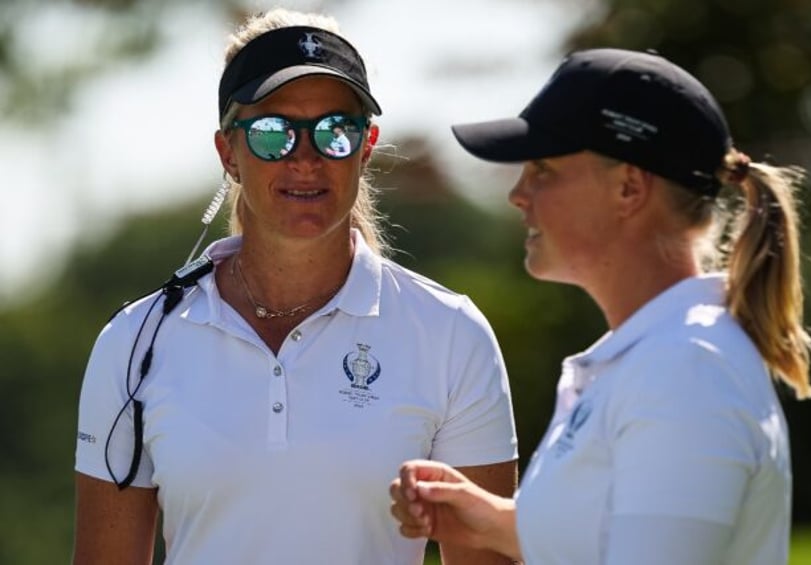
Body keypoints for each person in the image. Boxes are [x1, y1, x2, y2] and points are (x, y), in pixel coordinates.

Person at [73, 8, 518, 565]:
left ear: (366, 146)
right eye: (272, 132)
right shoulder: (136, 342)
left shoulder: (451, 334)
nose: (304, 158)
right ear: (228, 153)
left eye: (335, 130)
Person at [390, 47, 811, 564]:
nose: (518, 194)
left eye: (543, 169)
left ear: (629, 188)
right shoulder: (658, 358)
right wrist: (495, 523)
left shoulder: (686, 368)